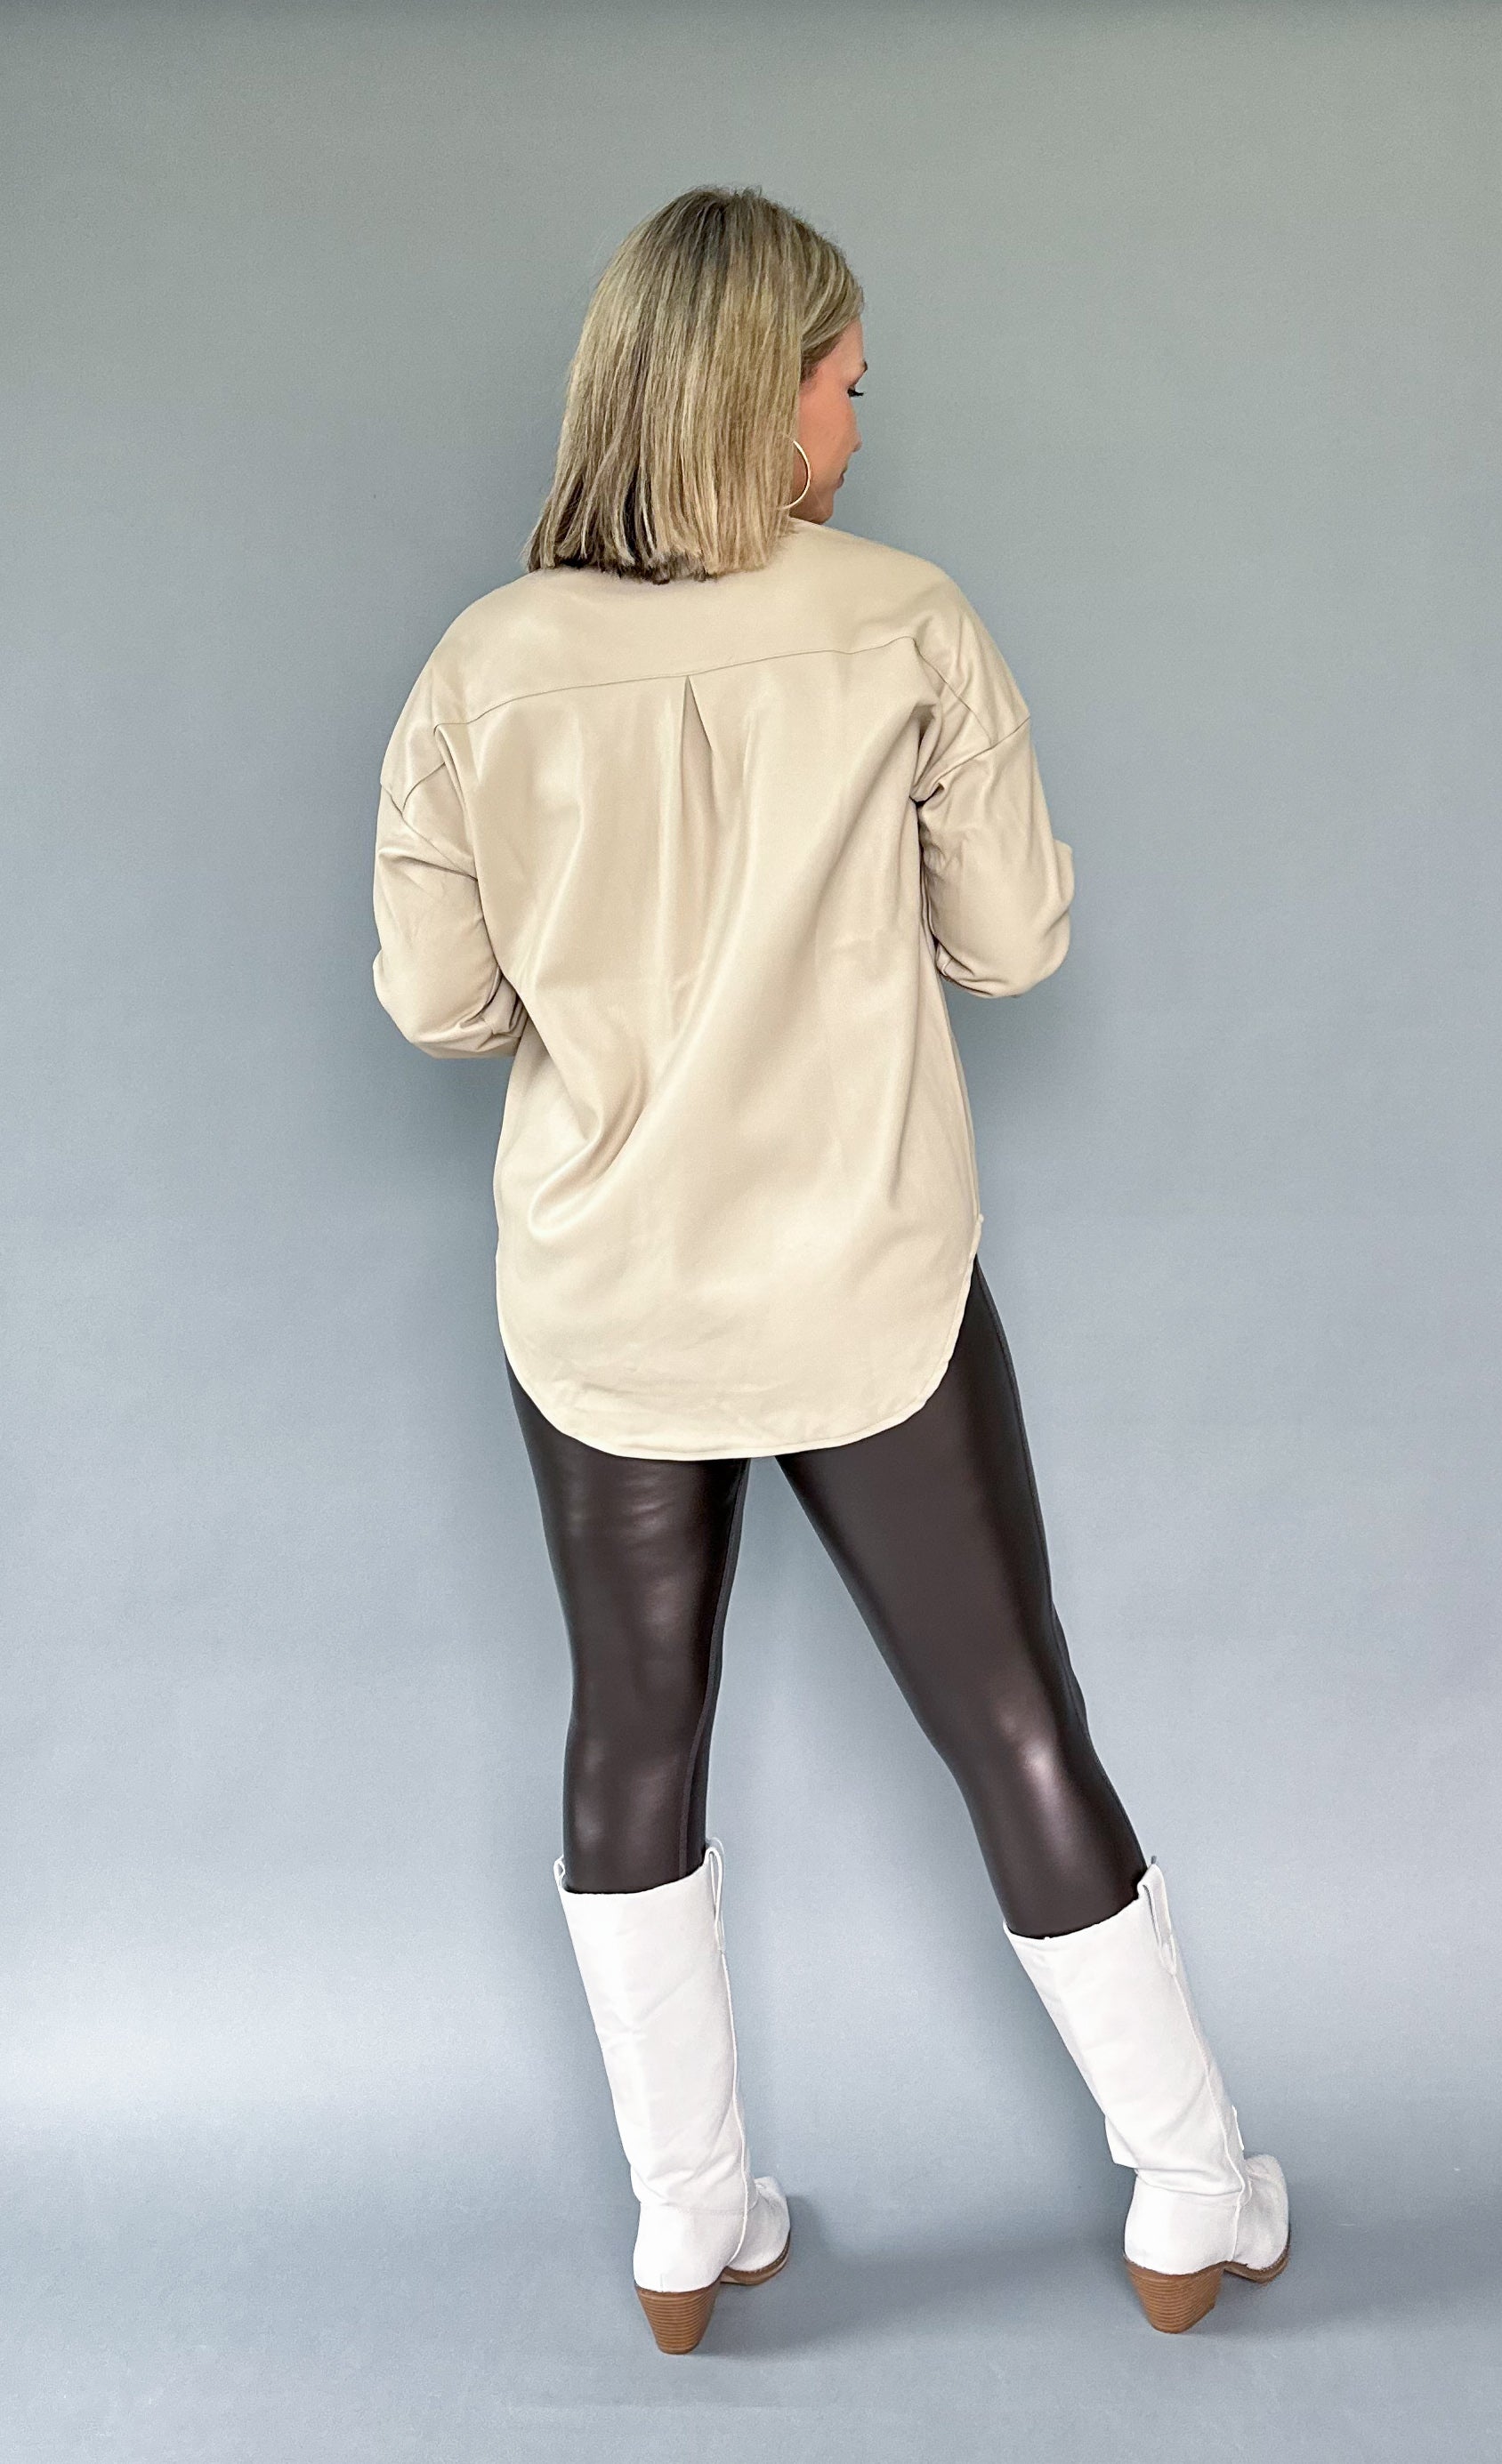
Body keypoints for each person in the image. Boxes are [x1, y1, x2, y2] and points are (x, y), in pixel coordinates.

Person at [370, 185, 1288, 2353]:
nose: (862, 427)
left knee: (629, 1732)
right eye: (849, 386)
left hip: (603, 1298)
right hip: (867, 1280)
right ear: (764, 394)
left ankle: (687, 2224)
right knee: (1013, 1715)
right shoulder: (908, 622)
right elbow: (1014, 940)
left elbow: (434, 1000)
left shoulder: (483, 666)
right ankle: (1191, 2180)